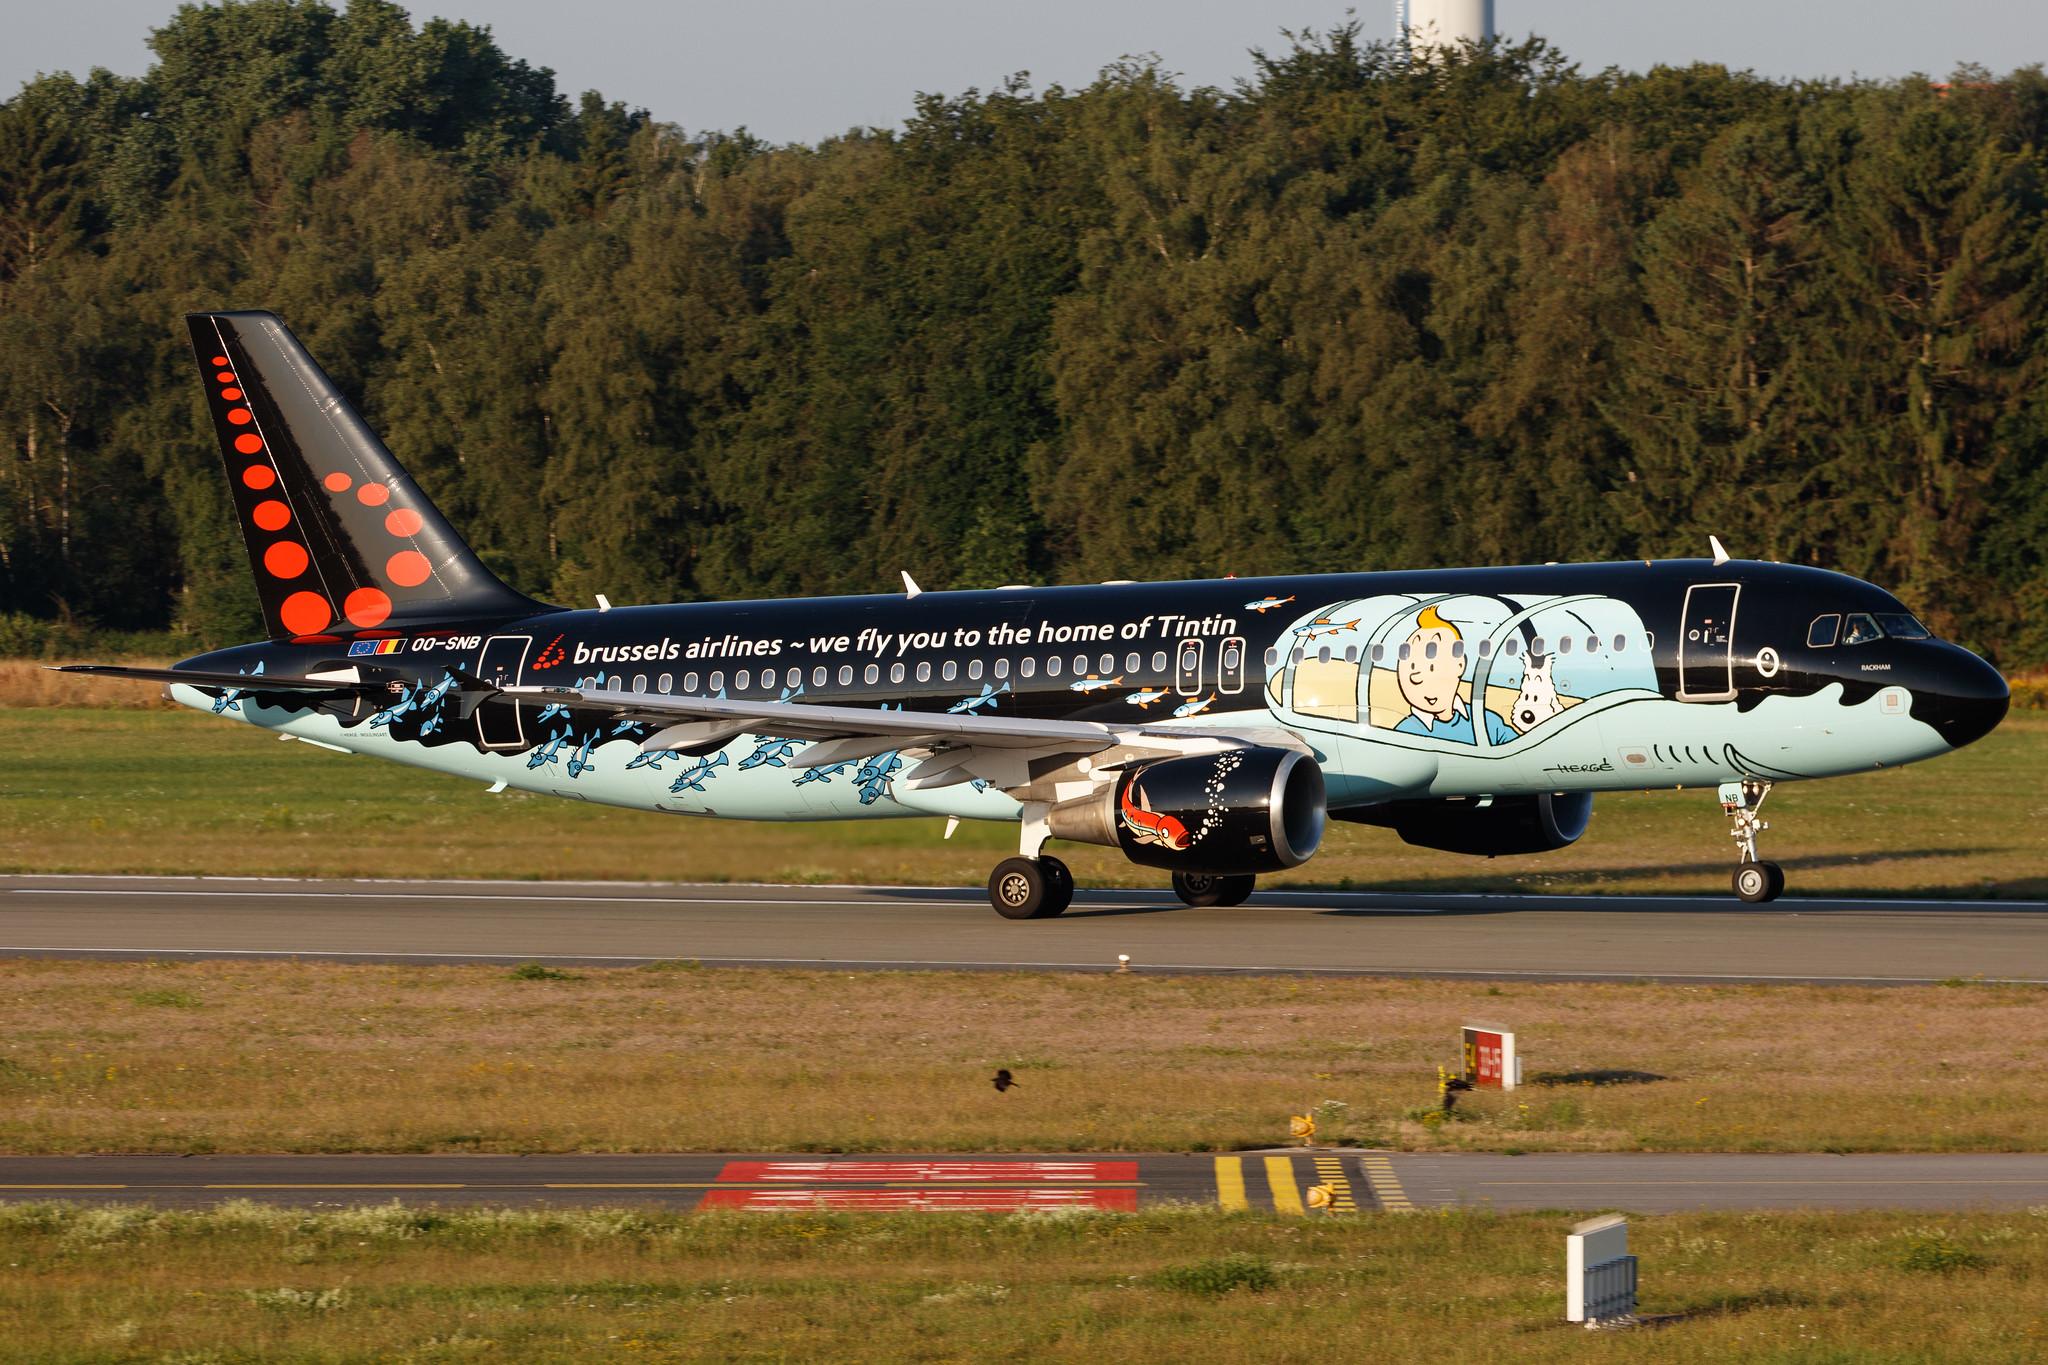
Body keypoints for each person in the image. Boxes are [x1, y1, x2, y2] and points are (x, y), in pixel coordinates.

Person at [1391, 605, 1516, 745]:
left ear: (1460, 665)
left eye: (1432, 667)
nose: (1417, 677)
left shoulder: (1488, 722)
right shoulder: (1403, 732)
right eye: (1413, 667)